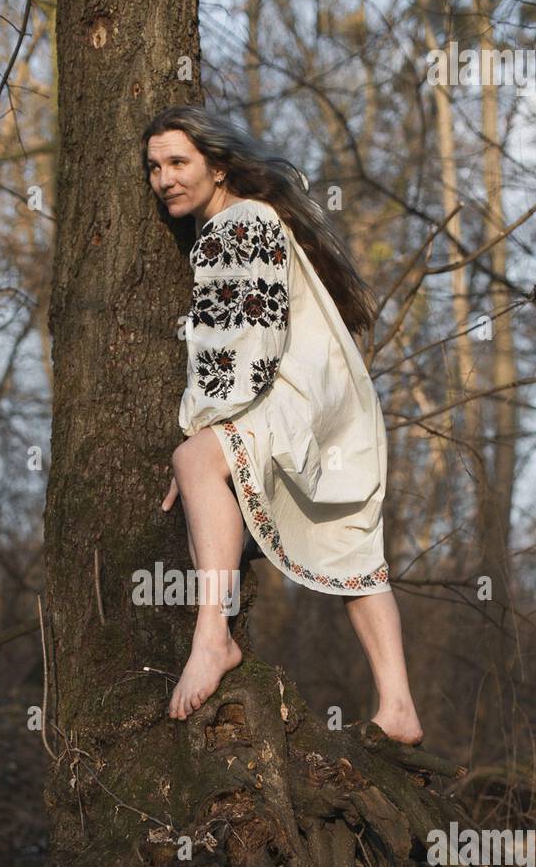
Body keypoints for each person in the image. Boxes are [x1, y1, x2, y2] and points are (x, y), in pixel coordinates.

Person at [142, 105, 422, 744]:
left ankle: (212, 638)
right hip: (333, 405)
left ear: (217, 165)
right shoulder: (254, 221)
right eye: (155, 167)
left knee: (196, 463)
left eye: (178, 163)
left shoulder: (238, 222)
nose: (164, 179)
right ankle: (399, 705)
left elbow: (244, 345)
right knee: (353, 546)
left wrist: (200, 439)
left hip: (289, 393)